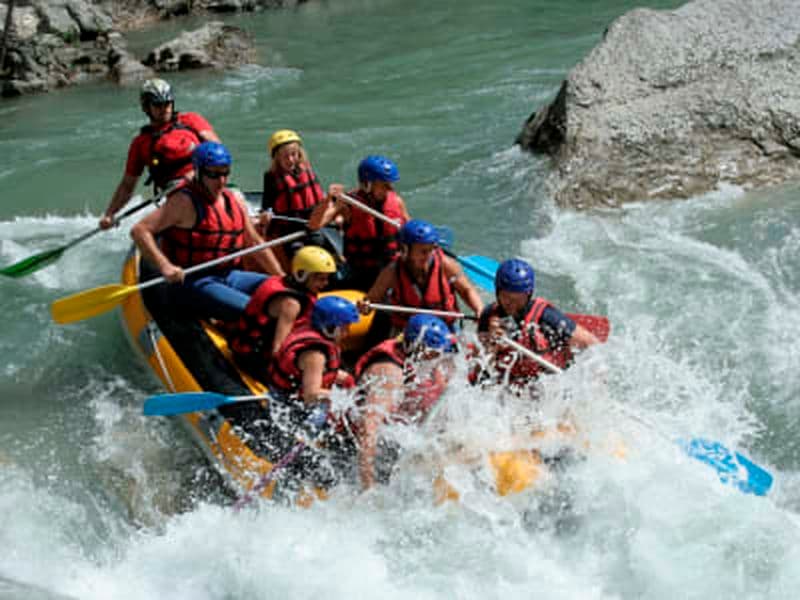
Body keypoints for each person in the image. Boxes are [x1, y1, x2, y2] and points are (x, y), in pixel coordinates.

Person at [130, 141, 284, 321]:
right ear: (199, 172)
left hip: (230, 275)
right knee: (256, 312)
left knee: (286, 295)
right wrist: (165, 266)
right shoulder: (184, 202)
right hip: (194, 280)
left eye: (225, 173)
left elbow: (255, 242)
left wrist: (281, 276)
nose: (221, 180)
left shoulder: (233, 199)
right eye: (214, 174)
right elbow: (139, 231)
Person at [100, 78, 220, 229]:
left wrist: (196, 174)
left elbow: (218, 150)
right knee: (141, 231)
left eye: (168, 103)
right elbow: (127, 185)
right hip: (177, 197)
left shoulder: (191, 120)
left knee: (235, 201)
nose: (165, 108)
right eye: (158, 105)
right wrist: (110, 214)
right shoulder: (140, 143)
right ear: (147, 107)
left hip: (208, 184)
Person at [353, 314, 456, 490]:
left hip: (402, 436)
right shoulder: (389, 374)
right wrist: (368, 487)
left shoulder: (416, 357)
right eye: (432, 354)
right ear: (416, 347)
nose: (436, 359)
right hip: (372, 452)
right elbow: (368, 429)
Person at [475, 258, 599, 389]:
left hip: (550, 382)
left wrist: (587, 380)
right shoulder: (489, 316)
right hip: (513, 384)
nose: (511, 304)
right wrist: (491, 343)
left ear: (528, 295)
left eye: (517, 299)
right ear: (497, 292)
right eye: (506, 297)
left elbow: (591, 344)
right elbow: (481, 366)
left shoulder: (547, 316)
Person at [229, 246, 338, 379]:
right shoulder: (291, 304)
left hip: (249, 347)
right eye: (320, 279)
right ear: (302, 275)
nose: (325, 283)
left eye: (327, 278)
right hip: (253, 358)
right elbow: (278, 348)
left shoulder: (282, 282)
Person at [361, 219, 484, 335]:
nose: (428, 256)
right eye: (423, 252)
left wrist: (479, 309)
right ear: (406, 249)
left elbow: (467, 290)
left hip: (442, 328)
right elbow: (371, 300)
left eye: (431, 250)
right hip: (407, 332)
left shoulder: (446, 265)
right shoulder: (392, 271)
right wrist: (365, 307)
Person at [308, 155, 410, 291]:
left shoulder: (396, 201)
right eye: (384, 185)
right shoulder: (347, 203)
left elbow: (409, 230)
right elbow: (314, 225)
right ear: (367, 185)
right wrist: (327, 200)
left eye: (390, 184)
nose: (389, 189)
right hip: (358, 269)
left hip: (389, 268)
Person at [266, 295, 359, 407]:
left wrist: (348, 381)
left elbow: (325, 372)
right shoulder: (315, 355)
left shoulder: (312, 333)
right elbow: (311, 395)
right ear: (330, 328)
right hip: (290, 409)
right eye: (345, 328)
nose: (347, 333)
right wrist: (345, 398)